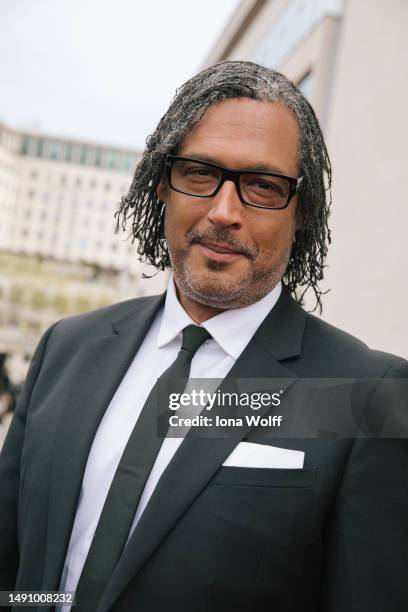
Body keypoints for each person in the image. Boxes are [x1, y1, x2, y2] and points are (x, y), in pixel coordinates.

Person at [0, 61, 407, 612]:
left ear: (302, 213)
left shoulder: (365, 394)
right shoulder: (67, 350)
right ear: (162, 184)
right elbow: (17, 569)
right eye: (199, 172)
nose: (223, 212)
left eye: (263, 186)